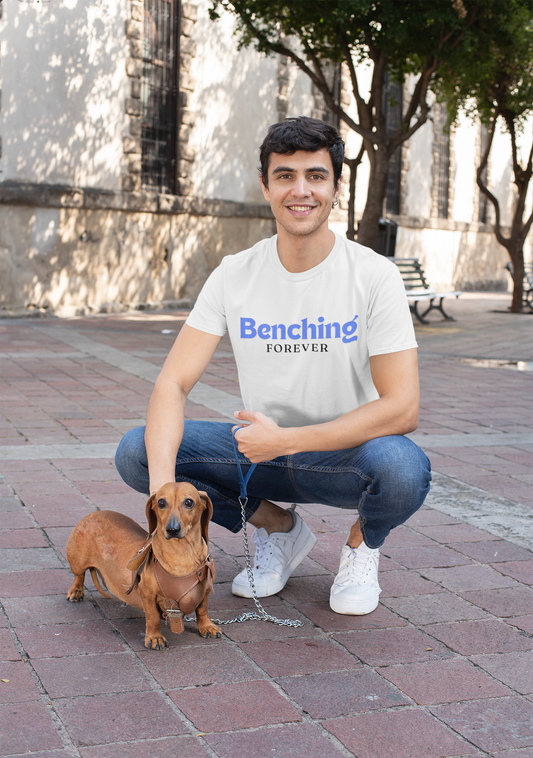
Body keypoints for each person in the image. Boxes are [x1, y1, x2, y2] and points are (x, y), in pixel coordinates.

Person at [115, 116, 431, 616]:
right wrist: (163, 500)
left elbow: (403, 408)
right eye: (285, 175)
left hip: (341, 456)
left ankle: (360, 545)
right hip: (257, 452)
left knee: (404, 467)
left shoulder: (374, 275)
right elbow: (172, 384)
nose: (300, 190)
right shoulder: (235, 273)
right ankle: (279, 530)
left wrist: (288, 440)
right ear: (266, 185)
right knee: (137, 451)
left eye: (315, 175)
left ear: (335, 186)